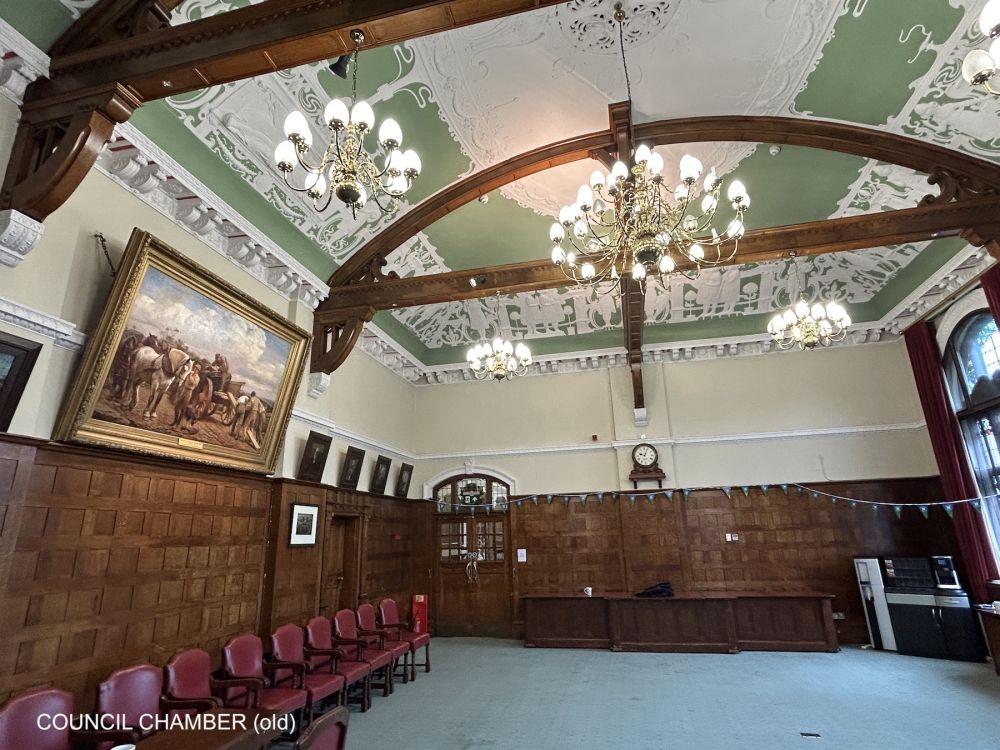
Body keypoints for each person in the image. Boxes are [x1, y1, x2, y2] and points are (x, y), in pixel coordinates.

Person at [171, 363, 201, 427]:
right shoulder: (190, 373)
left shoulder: (197, 378)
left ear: (198, 371)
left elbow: (193, 383)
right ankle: (174, 421)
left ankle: (177, 424)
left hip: (189, 392)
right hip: (184, 390)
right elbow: (184, 379)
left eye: (197, 369)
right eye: (195, 368)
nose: (195, 369)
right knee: (176, 406)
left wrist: (190, 375)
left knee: (183, 409)